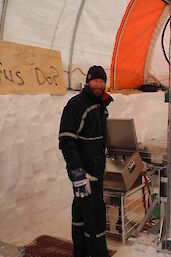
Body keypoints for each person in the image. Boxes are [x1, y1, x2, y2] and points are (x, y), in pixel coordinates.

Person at [59, 65, 113, 257]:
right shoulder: (77, 105)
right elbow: (67, 140)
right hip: (86, 172)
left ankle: (80, 252)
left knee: (81, 214)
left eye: (102, 81)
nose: (99, 85)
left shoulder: (99, 105)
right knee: (96, 216)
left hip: (94, 170)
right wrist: (77, 173)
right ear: (88, 82)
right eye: (95, 80)